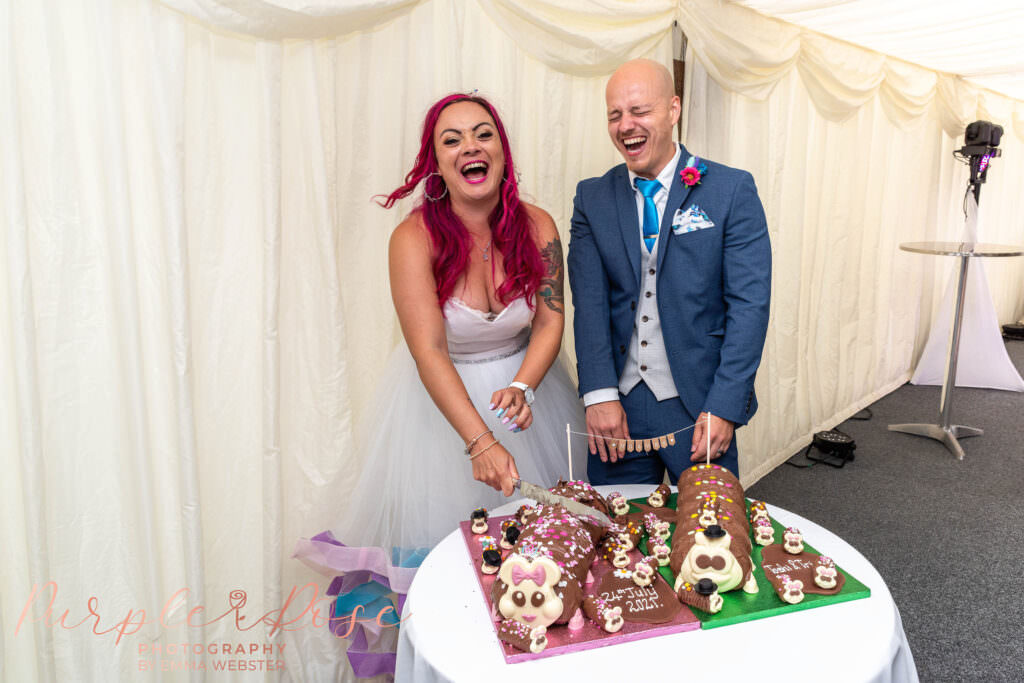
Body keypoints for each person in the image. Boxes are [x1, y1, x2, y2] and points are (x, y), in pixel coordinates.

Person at [337, 92, 586, 555]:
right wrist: (479, 441)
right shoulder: (412, 238)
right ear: (437, 163)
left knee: (542, 557)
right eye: (452, 140)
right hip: (442, 410)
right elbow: (428, 349)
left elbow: (551, 323)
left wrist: (524, 387)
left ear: (501, 152)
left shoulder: (538, 226)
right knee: (455, 558)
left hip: (531, 394)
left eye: (483, 134)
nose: (470, 146)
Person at [567, 59, 771, 484]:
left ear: (673, 110)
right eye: (615, 115)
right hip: (616, 408)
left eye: (639, 110)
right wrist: (599, 394)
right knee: (615, 539)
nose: (626, 125)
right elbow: (588, 305)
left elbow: (749, 306)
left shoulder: (731, 190)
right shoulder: (592, 198)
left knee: (709, 538)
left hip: (698, 404)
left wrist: (724, 405)